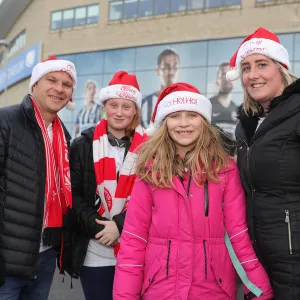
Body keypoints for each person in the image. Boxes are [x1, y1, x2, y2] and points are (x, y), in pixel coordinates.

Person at [113, 82, 273, 299]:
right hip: (160, 289)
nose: (183, 124)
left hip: (212, 289)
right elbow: (133, 239)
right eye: (175, 116)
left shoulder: (225, 171)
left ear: (204, 121)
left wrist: (259, 288)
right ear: (165, 122)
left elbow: (238, 235)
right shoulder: (149, 171)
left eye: (192, 115)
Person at [226, 27, 299, 299]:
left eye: (261, 64)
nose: (253, 75)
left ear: (281, 68)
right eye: (246, 67)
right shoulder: (246, 126)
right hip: (259, 259)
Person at [0, 56, 77, 299]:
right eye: (52, 80)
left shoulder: (64, 136)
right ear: (34, 85)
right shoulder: (6, 121)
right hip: (7, 259)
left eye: (66, 84)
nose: (59, 89)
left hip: (44, 256)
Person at [68, 71, 147, 300]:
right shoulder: (83, 144)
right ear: (105, 107)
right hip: (95, 250)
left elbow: (154, 199)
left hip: (137, 250)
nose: (119, 112)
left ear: (135, 111)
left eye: (126, 106)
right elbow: (72, 194)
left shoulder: (151, 148)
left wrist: (119, 226)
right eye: (114, 105)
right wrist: (102, 227)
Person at [141, 48, 180, 127]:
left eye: (175, 66)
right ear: (158, 71)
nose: (171, 71)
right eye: (166, 66)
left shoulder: (187, 102)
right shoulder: (143, 103)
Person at [210, 62, 237, 139]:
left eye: (231, 75)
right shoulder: (208, 105)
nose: (228, 78)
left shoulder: (236, 108)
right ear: (217, 80)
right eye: (224, 74)